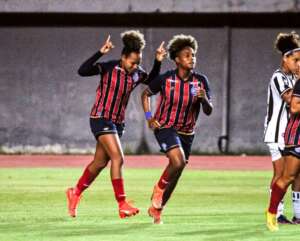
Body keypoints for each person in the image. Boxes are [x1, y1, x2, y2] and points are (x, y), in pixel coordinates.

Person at [66, 30, 166, 219]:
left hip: (117, 123)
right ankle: (122, 203)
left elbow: (152, 80)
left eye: (138, 62)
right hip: (100, 117)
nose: (135, 66)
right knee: (118, 158)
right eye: (132, 62)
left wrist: (158, 61)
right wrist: (100, 52)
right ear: (123, 57)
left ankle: (75, 192)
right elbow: (83, 70)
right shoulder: (109, 67)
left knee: (99, 163)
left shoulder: (137, 74)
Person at [141, 34, 213, 224]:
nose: (192, 58)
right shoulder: (166, 79)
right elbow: (145, 94)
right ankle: (158, 189)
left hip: (187, 133)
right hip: (166, 127)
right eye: (187, 55)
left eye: (193, 55)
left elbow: (208, 111)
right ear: (177, 60)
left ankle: (157, 209)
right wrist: (149, 118)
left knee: (176, 174)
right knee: (178, 161)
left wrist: (203, 98)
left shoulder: (201, 81)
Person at [264, 32, 300, 225]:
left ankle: (298, 214)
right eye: (295, 60)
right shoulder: (278, 77)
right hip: (277, 132)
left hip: (292, 134)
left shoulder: (294, 78)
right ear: (285, 58)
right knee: (280, 175)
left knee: (297, 175)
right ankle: (276, 213)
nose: (298, 64)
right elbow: (291, 101)